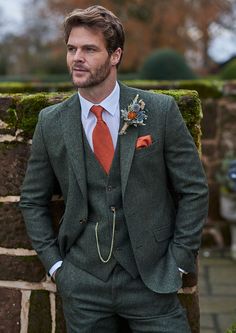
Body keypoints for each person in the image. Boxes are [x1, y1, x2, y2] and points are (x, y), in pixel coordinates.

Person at [20, 5, 208, 333]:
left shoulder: (159, 111)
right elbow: (32, 200)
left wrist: (178, 263)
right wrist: (57, 268)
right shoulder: (51, 123)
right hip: (82, 282)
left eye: (89, 49)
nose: (77, 57)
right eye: (72, 48)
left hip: (151, 278)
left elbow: (194, 189)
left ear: (115, 55)